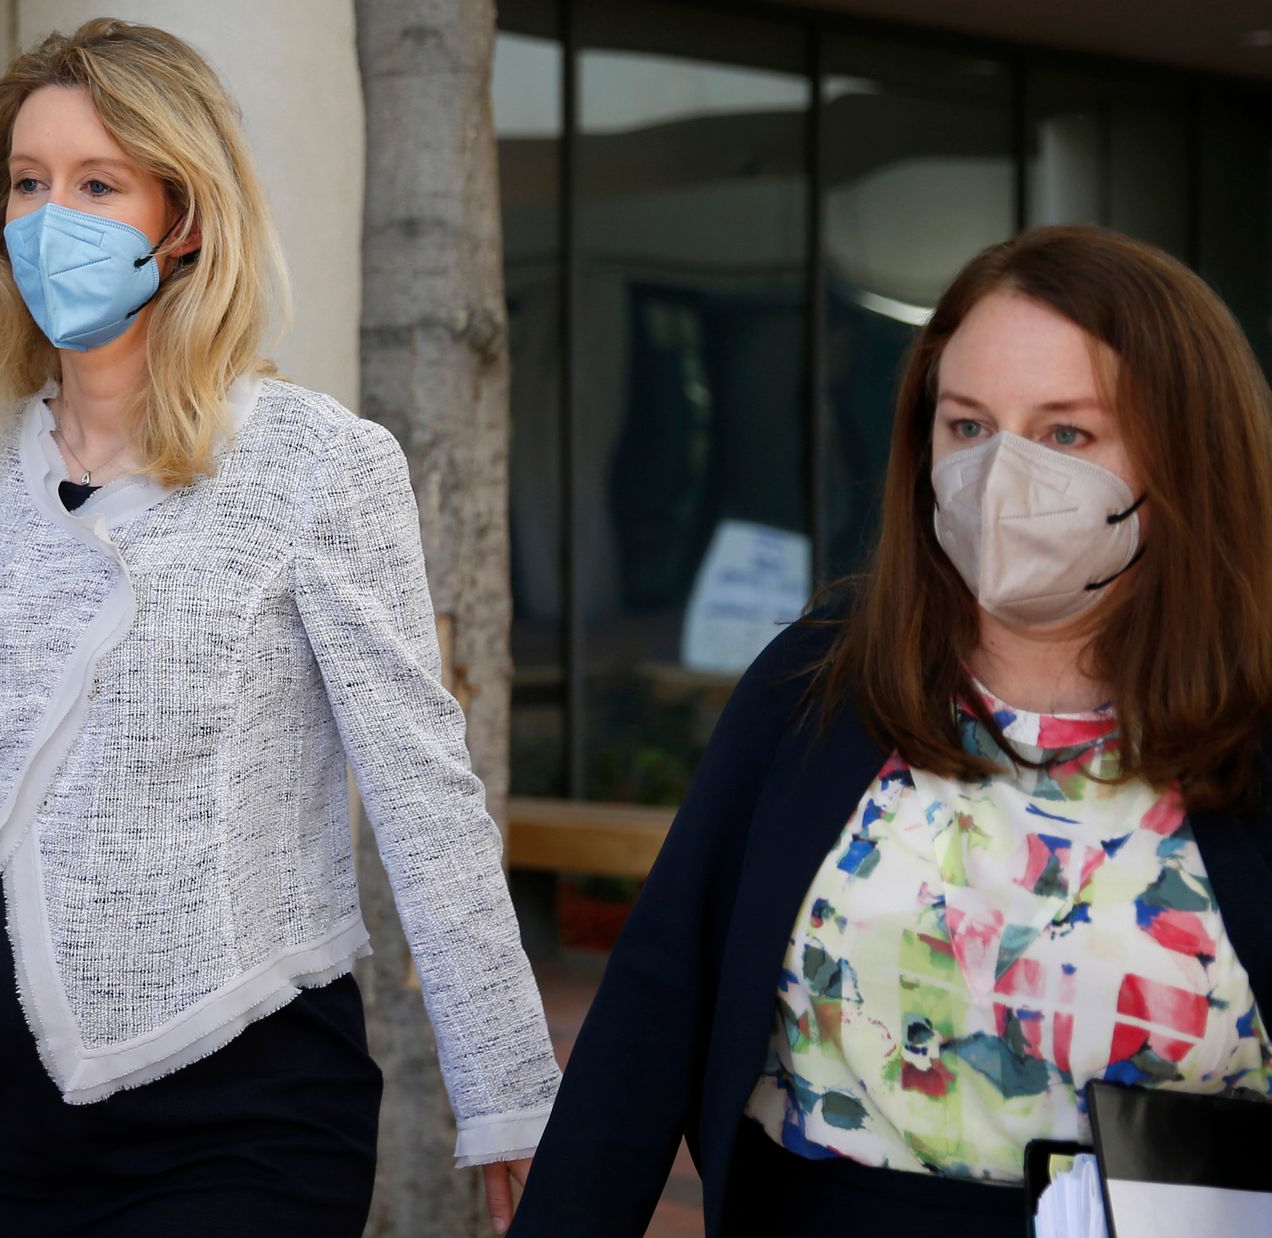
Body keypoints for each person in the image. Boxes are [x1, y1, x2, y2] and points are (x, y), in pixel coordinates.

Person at [0, 19, 561, 1237]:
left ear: (182, 216)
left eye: (95, 183)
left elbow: (421, 793)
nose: (47, 218)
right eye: (27, 184)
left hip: (246, 1109)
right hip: (10, 1120)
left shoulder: (315, 463)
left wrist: (509, 1094)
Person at [509, 225, 1272, 1237]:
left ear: (1185, 447)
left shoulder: (1250, 716)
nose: (1000, 476)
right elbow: (657, 1001)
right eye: (966, 425)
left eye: (1064, 433)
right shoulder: (821, 676)